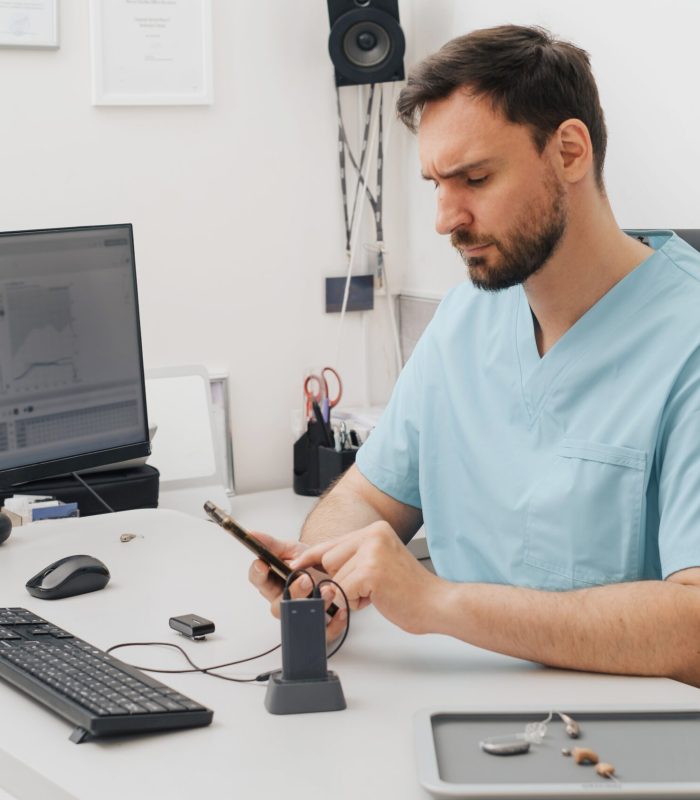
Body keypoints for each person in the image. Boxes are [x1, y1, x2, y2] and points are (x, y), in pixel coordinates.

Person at [250, 24, 700, 686]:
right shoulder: (468, 314)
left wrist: (437, 603)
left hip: (611, 748)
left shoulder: (684, 341)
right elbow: (368, 500)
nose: (444, 218)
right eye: (436, 182)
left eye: (475, 178)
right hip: (447, 704)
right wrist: (322, 572)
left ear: (570, 151)